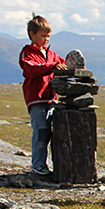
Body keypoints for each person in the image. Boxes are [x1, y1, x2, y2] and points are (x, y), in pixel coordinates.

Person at [19, 14, 66, 177]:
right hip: (37, 99)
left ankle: (55, 164)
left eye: (48, 36)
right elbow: (33, 69)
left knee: (54, 133)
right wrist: (53, 66)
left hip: (51, 98)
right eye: (43, 36)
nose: (46, 39)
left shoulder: (51, 54)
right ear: (32, 35)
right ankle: (38, 164)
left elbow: (63, 64)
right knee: (41, 131)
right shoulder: (27, 53)